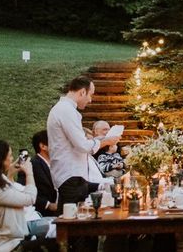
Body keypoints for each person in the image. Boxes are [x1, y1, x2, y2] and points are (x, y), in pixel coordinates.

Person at [47, 75, 119, 251]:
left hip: (72, 176)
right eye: (90, 95)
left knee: (81, 231)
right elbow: (81, 145)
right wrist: (105, 142)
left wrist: (100, 140)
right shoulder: (67, 111)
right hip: (70, 177)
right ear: (82, 92)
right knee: (76, 232)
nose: (90, 100)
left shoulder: (64, 109)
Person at [0, 139, 54, 252]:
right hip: (8, 245)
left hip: (8, 240)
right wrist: (29, 173)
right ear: (0, 160)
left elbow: (12, 193)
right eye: (9, 156)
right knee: (59, 241)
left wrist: (9, 172)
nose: (12, 159)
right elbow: (30, 198)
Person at [29, 130, 59, 216]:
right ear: (43, 146)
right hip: (44, 214)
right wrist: (48, 204)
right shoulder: (32, 164)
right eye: (54, 142)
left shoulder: (57, 163)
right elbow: (24, 190)